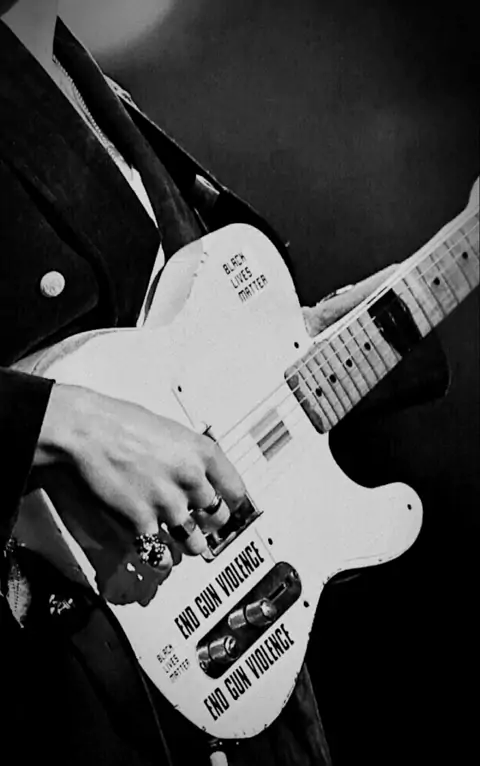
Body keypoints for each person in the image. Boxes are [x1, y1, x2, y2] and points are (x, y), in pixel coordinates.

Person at [0, 2, 453, 765]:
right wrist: (58, 423)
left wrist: (309, 345)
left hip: (226, 661)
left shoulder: (66, 66)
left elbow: (174, 374)